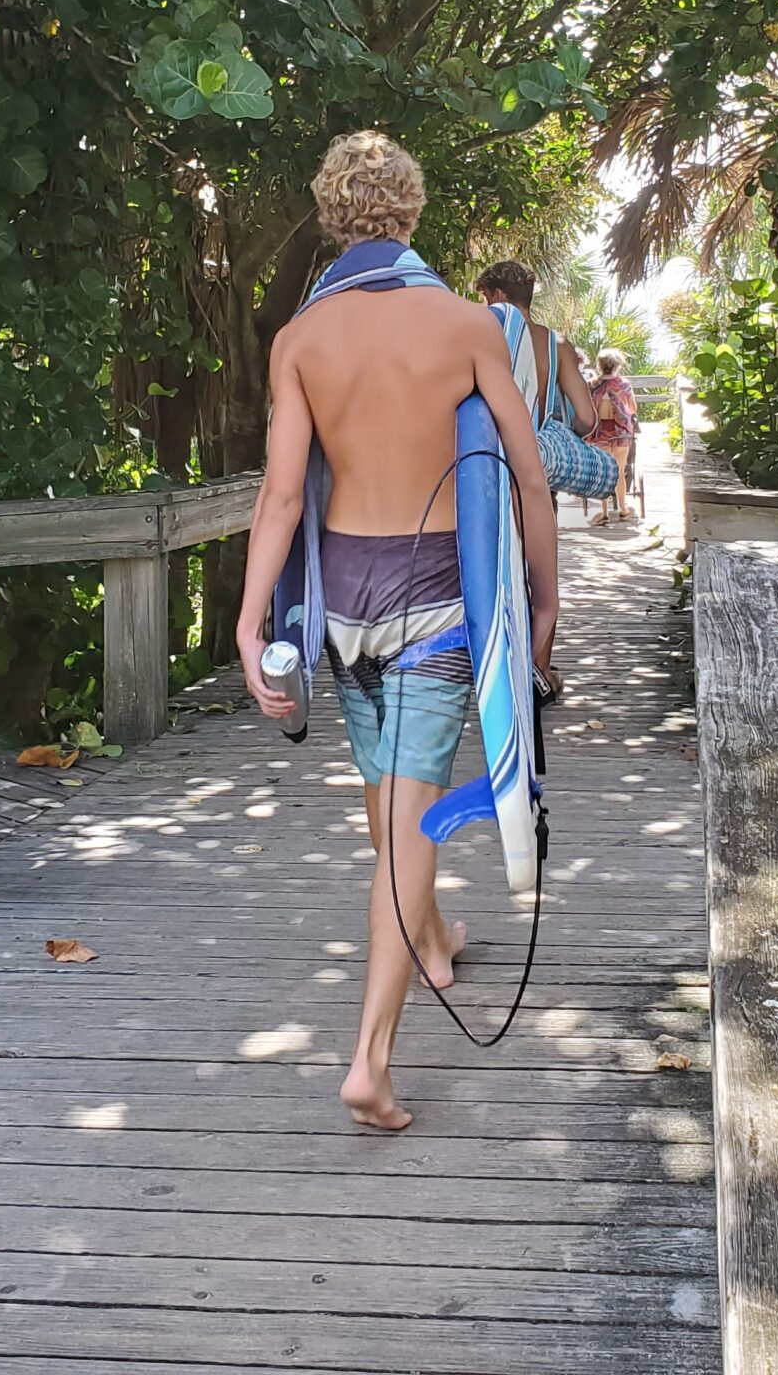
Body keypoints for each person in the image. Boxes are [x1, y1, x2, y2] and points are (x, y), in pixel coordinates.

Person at [235, 132, 559, 1133]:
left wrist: (251, 627)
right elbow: (530, 476)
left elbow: (283, 496)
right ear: (412, 213)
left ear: (330, 218)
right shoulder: (469, 325)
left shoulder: (299, 343)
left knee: (388, 811)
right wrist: (542, 610)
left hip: (341, 605)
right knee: (406, 828)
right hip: (434, 604)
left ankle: (439, 933)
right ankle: (370, 1059)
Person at [472, 260, 598, 444]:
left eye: (487, 298)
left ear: (498, 295)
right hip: (537, 456)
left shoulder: (479, 338)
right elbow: (587, 419)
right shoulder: (557, 345)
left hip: (487, 454)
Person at [589, 349, 640, 523]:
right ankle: (623, 509)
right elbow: (632, 408)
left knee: (603, 472)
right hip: (621, 433)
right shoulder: (624, 385)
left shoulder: (591, 384)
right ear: (617, 366)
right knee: (619, 471)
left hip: (599, 433)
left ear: (599, 366)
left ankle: (603, 513)